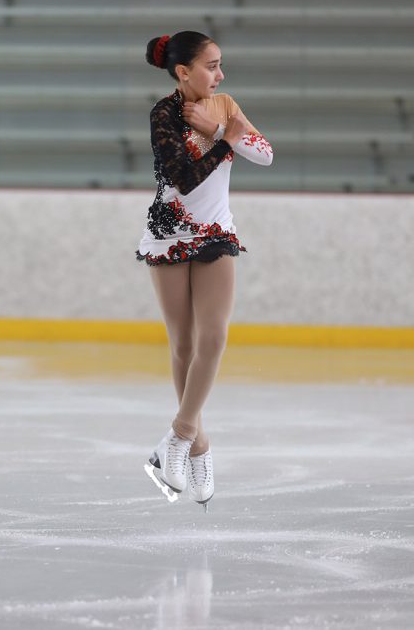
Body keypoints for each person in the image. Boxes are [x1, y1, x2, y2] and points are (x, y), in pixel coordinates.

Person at [137, 31, 274, 510]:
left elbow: (265, 153)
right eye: (211, 66)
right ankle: (199, 447)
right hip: (169, 232)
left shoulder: (226, 107)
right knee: (184, 344)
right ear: (183, 72)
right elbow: (184, 177)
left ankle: (178, 437)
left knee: (213, 338)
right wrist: (225, 142)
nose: (220, 74)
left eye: (220, 65)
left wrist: (219, 131)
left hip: (216, 233)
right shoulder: (163, 114)